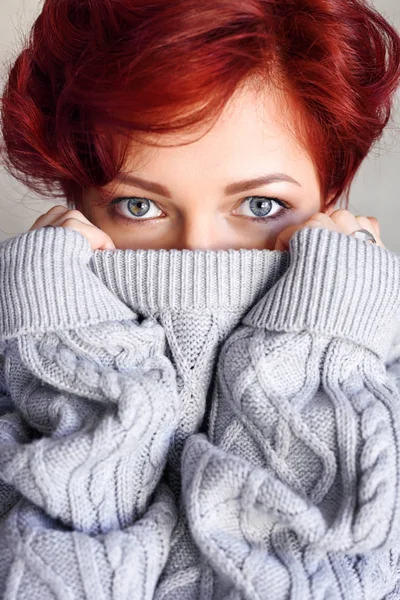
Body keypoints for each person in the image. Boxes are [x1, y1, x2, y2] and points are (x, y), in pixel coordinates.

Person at [0, 0, 400, 597]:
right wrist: (76, 380)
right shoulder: (22, 388)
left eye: (260, 206)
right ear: (76, 206)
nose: (198, 254)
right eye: (140, 207)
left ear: (329, 201)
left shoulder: (380, 396)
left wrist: (315, 370)